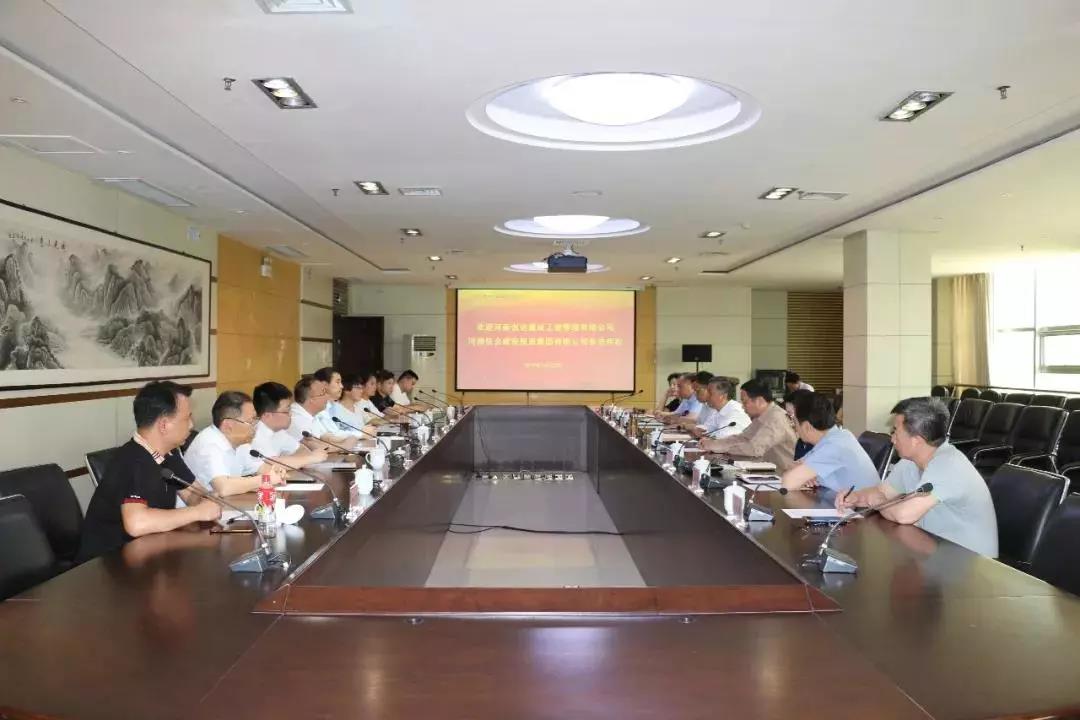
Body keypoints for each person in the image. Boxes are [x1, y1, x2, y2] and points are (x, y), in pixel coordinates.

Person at [76, 381, 221, 563]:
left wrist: (205, 500)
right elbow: (137, 523)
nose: (191, 425)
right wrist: (197, 512)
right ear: (164, 425)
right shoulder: (132, 460)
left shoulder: (168, 453)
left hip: (148, 552)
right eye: (187, 418)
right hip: (107, 564)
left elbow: (192, 493)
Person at [836, 397, 998, 557]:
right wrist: (856, 497)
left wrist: (877, 501)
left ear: (916, 441)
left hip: (973, 563)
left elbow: (904, 515)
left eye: (895, 432)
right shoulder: (911, 461)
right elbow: (882, 492)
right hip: (936, 550)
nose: (892, 439)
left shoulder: (949, 465)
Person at [184, 391, 286, 496]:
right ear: (228, 425)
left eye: (255, 420)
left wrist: (275, 471)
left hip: (227, 503)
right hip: (198, 505)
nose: (255, 427)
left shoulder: (240, 442)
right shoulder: (209, 445)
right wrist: (265, 479)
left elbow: (261, 468)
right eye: (250, 422)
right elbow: (224, 488)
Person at [781, 392, 879, 493]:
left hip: (856, 503)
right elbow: (792, 466)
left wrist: (799, 475)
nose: (793, 425)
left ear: (807, 426)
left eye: (794, 421)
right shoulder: (836, 437)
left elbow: (787, 483)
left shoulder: (836, 445)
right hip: (839, 499)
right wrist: (801, 475)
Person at [700, 378, 797, 471]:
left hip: (785, 474)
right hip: (767, 470)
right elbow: (743, 438)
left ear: (759, 401)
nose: (742, 407)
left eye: (744, 402)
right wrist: (715, 444)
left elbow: (754, 448)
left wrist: (721, 448)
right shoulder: (763, 415)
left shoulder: (776, 418)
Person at [249, 382, 328, 468]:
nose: (291, 414)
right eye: (286, 411)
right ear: (267, 415)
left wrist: (290, 460)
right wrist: (310, 458)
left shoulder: (280, 432)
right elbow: (270, 466)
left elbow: (303, 451)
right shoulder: (256, 437)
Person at [288, 375, 356, 448]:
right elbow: (316, 448)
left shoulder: (311, 415)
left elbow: (323, 436)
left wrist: (349, 438)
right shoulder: (297, 419)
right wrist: (344, 446)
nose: (327, 396)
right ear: (311, 399)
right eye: (323, 393)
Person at [315, 366, 369, 438]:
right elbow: (333, 434)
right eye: (337, 382)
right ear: (325, 385)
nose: (342, 386)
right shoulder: (320, 409)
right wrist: (361, 433)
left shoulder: (332, 406)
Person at [783, 389, 816, 461]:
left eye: (790, 415)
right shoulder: (801, 442)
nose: (790, 422)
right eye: (787, 415)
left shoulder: (824, 445)